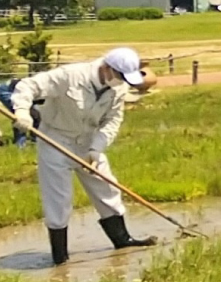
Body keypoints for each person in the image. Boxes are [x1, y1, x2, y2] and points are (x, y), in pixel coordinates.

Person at [10, 48, 158, 265]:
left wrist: (95, 150)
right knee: (59, 199)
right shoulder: (70, 76)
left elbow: (112, 121)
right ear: (107, 68)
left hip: (88, 142)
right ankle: (60, 257)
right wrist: (22, 112)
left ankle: (122, 239)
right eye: (119, 77)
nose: (121, 82)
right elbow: (28, 86)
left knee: (107, 188)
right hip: (56, 140)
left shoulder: (117, 88)